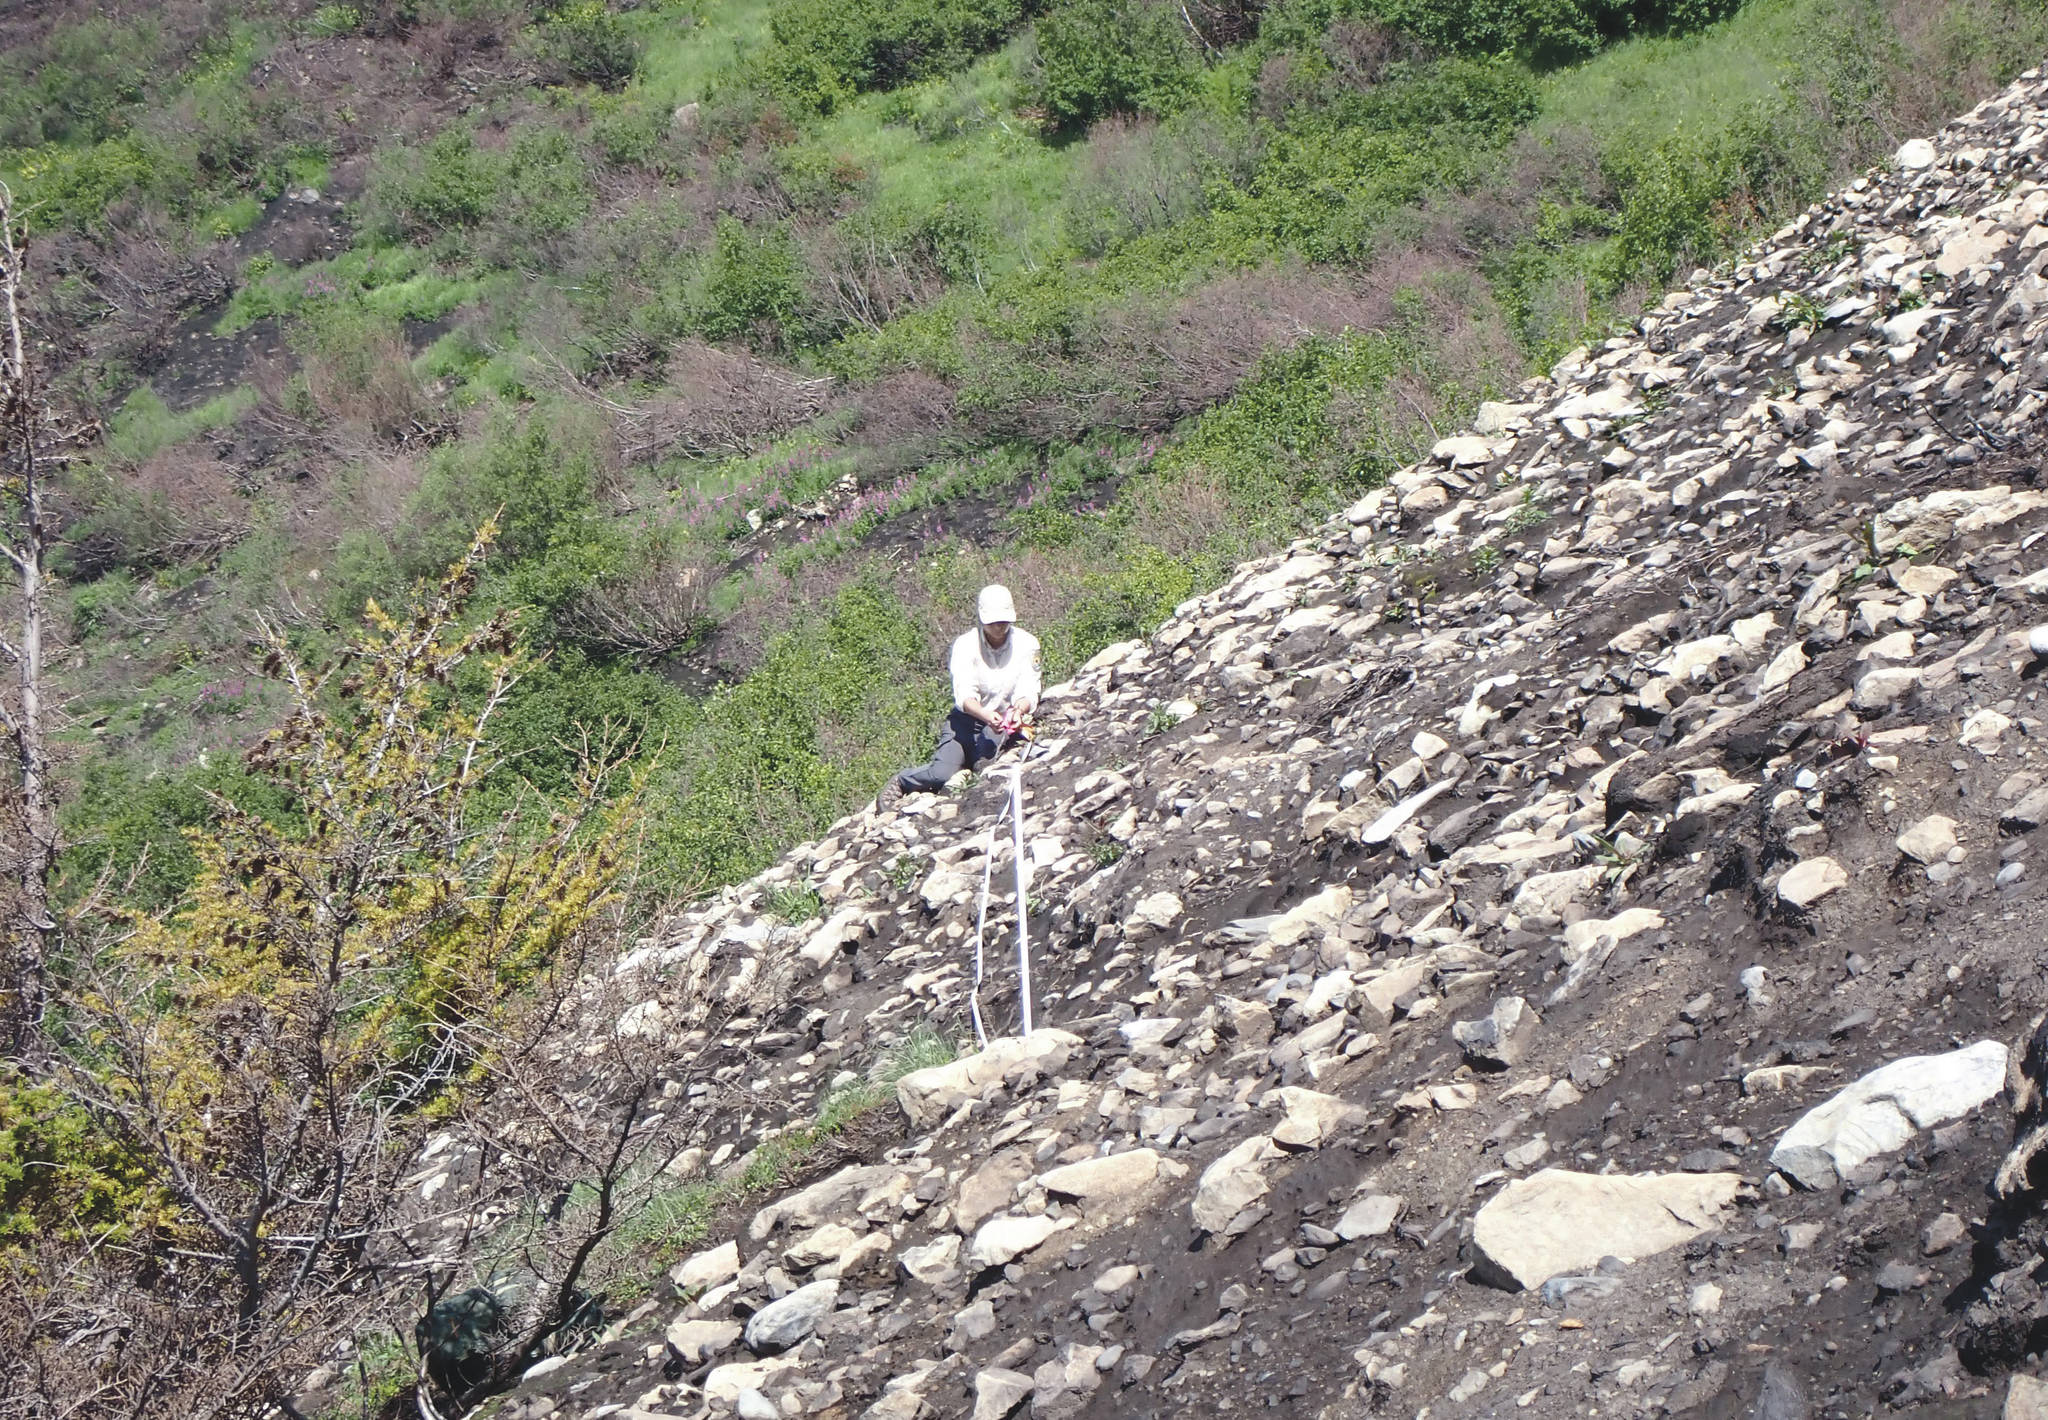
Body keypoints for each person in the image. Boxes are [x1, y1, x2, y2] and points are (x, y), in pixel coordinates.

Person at [880, 584, 1041, 808]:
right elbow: (964, 694)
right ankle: (903, 781)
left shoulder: (1027, 644)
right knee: (940, 774)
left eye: (1003, 621)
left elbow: (1029, 688)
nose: (999, 627)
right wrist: (985, 714)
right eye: (993, 622)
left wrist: (1018, 709)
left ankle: (967, 771)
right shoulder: (965, 645)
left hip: (1002, 723)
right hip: (965, 721)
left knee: (988, 769)